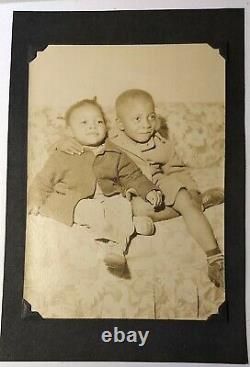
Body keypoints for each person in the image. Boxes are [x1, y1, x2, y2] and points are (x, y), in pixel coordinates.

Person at [53, 90, 224, 288]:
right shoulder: (110, 140)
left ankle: (214, 258)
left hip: (158, 183)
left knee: (184, 196)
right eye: (137, 119)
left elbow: (177, 170)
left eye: (151, 116)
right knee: (131, 209)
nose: (146, 124)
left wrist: (191, 190)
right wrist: (62, 143)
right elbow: (82, 142)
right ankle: (199, 205)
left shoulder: (162, 144)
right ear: (120, 124)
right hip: (131, 189)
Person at [28, 98, 162, 276]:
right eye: (84, 123)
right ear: (70, 131)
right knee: (93, 211)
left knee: (122, 205)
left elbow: (133, 176)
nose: (93, 126)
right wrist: (34, 201)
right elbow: (43, 181)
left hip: (109, 198)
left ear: (106, 126)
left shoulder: (114, 153)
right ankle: (126, 233)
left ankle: (116, 250)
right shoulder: (63, 154)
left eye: (98, 121)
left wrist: (149, 190)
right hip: (77, 201)